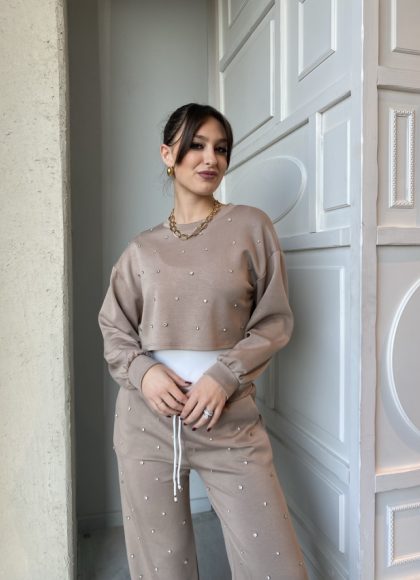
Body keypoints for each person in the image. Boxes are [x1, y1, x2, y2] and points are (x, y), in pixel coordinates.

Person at [98, 103, 308, 580]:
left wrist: (225, 376)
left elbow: (274, 321)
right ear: (167, 154)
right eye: (196, 145)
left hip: (228, 419)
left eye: (221, 148)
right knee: (161, 568)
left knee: (274, 566)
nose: (211, 158)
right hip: (145, 423)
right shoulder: (142, 248)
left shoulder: (251, 226)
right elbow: (114, 327)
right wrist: (143, 373)